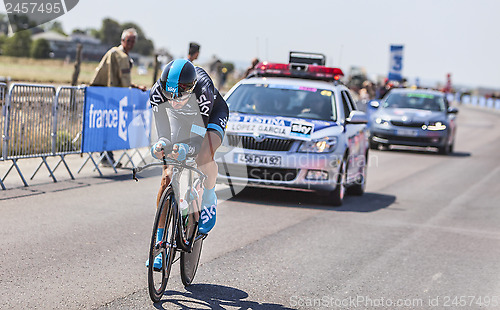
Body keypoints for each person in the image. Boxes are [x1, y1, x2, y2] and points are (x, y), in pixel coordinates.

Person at [147, 59, 228, 269]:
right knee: (167, 177)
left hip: (210, 118)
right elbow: (163, 130)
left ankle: (209, 197)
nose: (173, 100)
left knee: (203, 156)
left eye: (180, 94)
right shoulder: (157, 92)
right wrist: (162, 143)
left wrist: (186, 149)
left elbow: (199, 138)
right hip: (181, 121)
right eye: (169, 95)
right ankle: (160, 244)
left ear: (191, 88)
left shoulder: (204, 90)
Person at [89, 28, 147, 167]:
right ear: (122, 41)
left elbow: (121, 79)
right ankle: (106, 157)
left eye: (133, 41)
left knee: (111, 128)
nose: (131, 43)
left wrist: (135, 87)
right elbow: (116, 80)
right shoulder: (118, 55)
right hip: (112, 97)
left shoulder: (121, 55)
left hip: (112, 95)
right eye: (128, 40)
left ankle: (107, 157)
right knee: (109, 128)